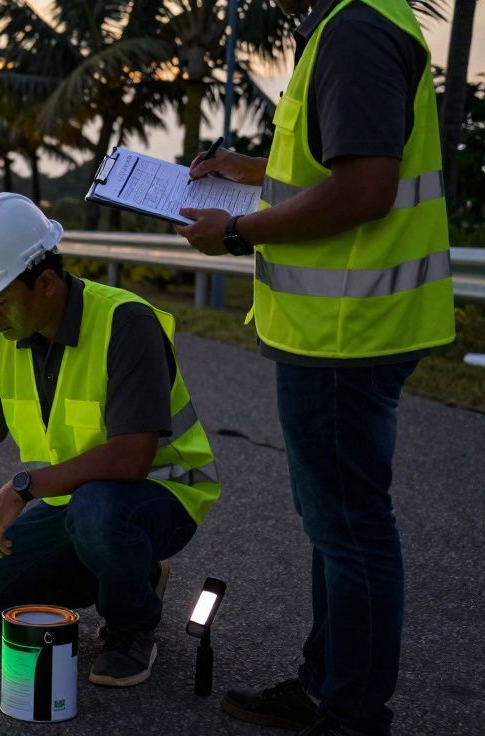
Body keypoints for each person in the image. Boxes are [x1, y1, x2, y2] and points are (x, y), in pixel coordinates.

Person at [174, 0, 455, 731]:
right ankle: (327, 686)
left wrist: (236, 229)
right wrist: (252, 170)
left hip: (346, 330)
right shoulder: (359, 22)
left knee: (351, 530)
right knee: (339, 523)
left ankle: (351, 714)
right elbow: (337, 163)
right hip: (348, 326)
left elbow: (365, 189)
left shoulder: (355, 29)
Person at [0, 192, 220, 688]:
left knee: (99, 511)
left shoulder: (126, 323)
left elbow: (133, 457)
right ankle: (134, 572)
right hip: (75, 504)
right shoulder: (3, 350)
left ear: (46, 284)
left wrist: (25, 486)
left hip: (161, 494)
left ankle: (131, 626)